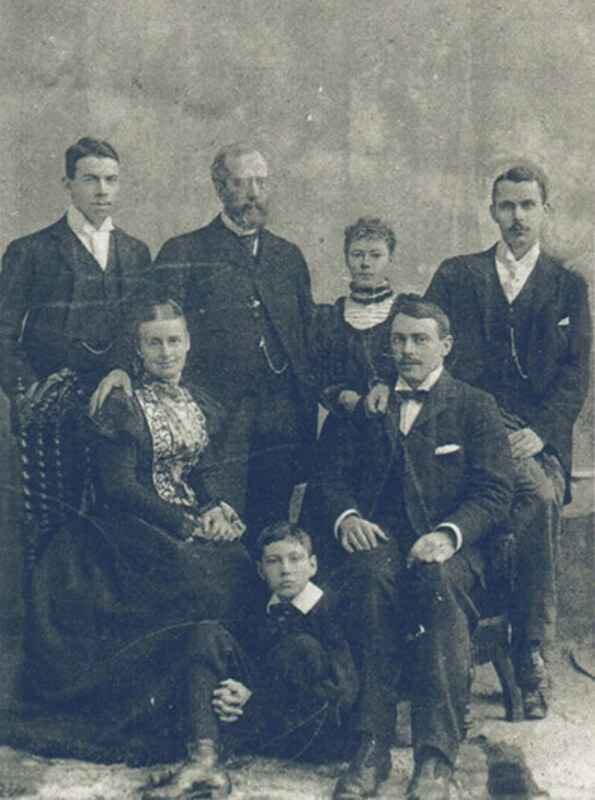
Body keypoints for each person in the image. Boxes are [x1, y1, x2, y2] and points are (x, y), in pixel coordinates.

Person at [15, 300, 252, 770]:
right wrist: (184, 524)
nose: (166, 352)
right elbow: (118, 487)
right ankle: (166, 714)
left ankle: (213, 707)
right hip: (121, 529)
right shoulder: (123, 403)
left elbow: (201, 470)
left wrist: (216, 508)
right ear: (138, 351)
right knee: (193, 579)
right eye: (153, 343)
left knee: (238, 563)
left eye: (174, 341)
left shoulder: (195, 400)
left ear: (188, 344)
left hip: (181, 516)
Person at [302, 296, 513, 800]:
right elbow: (327, 477)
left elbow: (495, 491)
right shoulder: (368, 406)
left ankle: (435, 758)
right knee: (369, 579)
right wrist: (347, 517)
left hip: (450, 547)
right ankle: (370, 746)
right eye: (398, 339)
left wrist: (448, 535)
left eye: (419, 339)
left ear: (446, 345)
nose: (407, 350)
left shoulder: (474, 406)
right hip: (382, 540)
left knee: (438, 582)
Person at [425, 165, 591, 719]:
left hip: (534, 441)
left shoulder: (568, 287)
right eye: (506, 206)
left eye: (527, 205)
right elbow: (429, 353)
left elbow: (574, 378)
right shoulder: (458, 275)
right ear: (492, 211)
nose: (517, 217)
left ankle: (529, 650)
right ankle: (454, 646)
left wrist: (539, 433)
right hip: (467, 435)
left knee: (539, 498)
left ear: (546, 211)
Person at [95, 144, 317, 548]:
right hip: (218, 416)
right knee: (224, 520)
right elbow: (144, 321)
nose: (253, 193)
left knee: (273, 521)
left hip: (281, 414)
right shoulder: (185, 251)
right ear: (219, 187)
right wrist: (119, 368)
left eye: (261, 182)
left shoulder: (288, 256)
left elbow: (307, 335)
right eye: (241, 182)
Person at [140, 521, 358, 800]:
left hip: (308, 731)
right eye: (274, 561)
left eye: (295, 559)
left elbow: (343, 694)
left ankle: (210, 761)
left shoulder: (330, 610)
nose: (286, 570)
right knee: (207, 633)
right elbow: (254, 668)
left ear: (312, 565)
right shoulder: (264, 608)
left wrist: (254, 698)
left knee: (301, 648)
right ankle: (204, 759)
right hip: (261, 720)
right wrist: (239, 692)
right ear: (261, 571)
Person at [0, 137, 151, 404]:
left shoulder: (136, 251)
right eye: (90, 179)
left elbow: (139, 325)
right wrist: (29, 388)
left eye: (111, 180)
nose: (102, 190)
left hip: (118, 395)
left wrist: (122, 371)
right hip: (49, 400)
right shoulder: (30, 250)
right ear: (67, 184)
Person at [313, 217, 399, 417]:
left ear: (390, 258)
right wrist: (341, 396)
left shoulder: (407, 310)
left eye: (376, 255)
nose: (365, 264)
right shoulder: (328, 317)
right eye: (357, 255)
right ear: (346, 258)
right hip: (344, 431)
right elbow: (318, 377)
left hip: (395, 424)